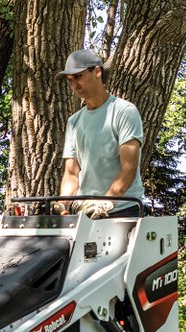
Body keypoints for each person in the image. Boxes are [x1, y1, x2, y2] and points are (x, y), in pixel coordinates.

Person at [55, 49, 144, 218]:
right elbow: (71, 174)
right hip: (86, 212)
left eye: (79, 76)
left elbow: (129, 168)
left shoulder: (124, 111)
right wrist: (62, 205)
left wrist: (104, 203)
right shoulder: (74, 122)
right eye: (70, 80)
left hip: (122, 210)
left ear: (97, 72)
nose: (74, 85)